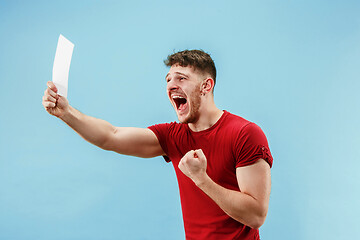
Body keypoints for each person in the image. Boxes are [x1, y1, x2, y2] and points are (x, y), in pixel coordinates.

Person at [42, 49, 273, 240]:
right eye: (168, 80)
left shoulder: (245, 133)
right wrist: (66, 112)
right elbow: (110, 136)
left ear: (206, 86)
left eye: (181, 78)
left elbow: (256, 215)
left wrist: (201, 179)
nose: (171, 85)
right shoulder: (173, 135)